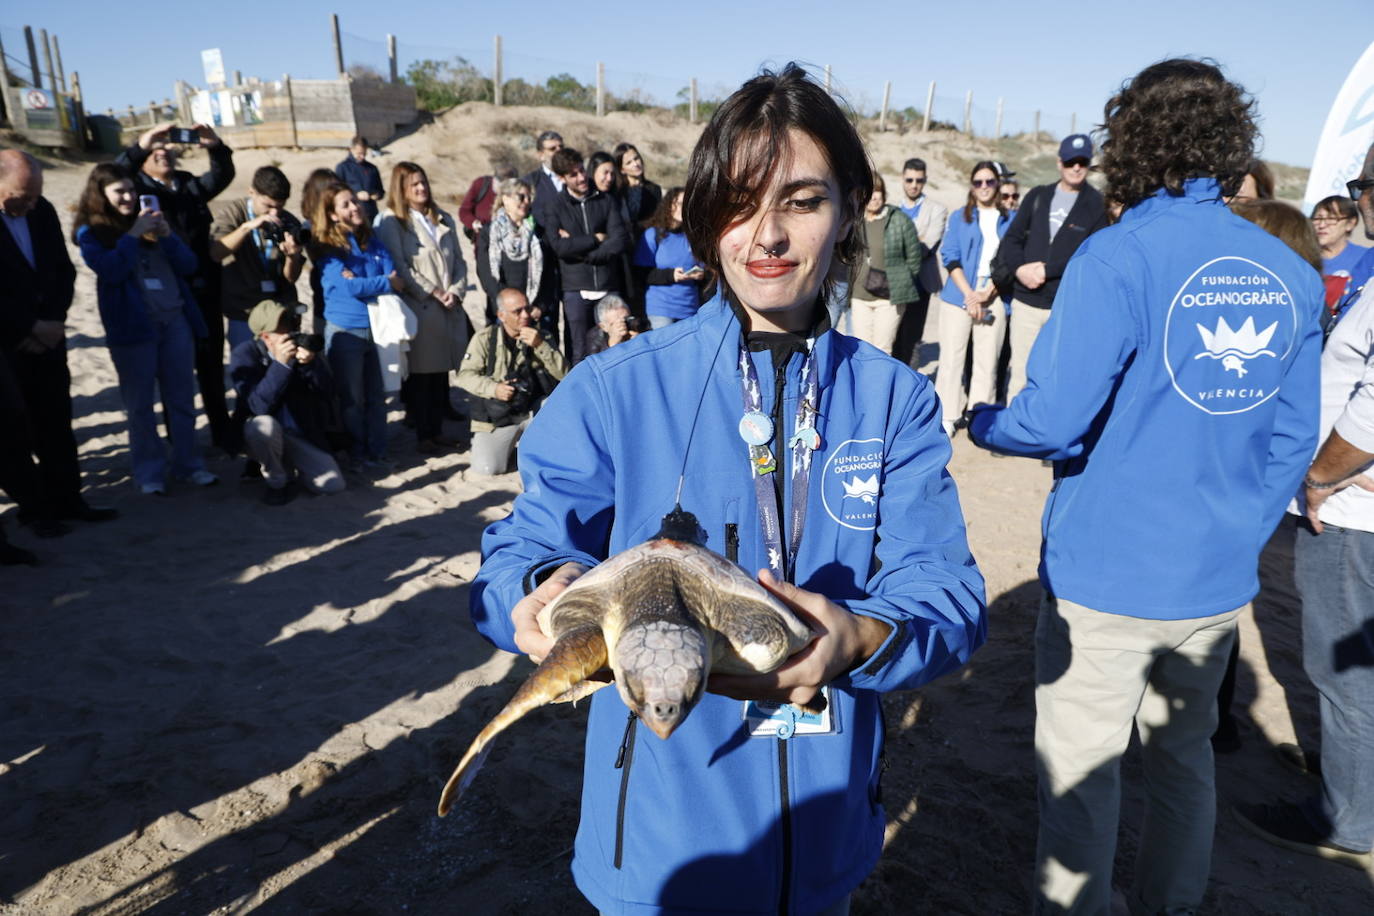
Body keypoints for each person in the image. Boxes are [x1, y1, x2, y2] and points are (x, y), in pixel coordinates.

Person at [468, 63, 986, 914]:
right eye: (741, 204)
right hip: (660, 853)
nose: (768, 236)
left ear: (853, 206)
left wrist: (860, 638)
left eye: (804, 201)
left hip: (824, 845)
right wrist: (530, 594)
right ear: (706, 217)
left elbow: (949, 598)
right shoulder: (612, 391)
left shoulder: (896, 401)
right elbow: (520, 551)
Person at [965, 59, 1322, 914]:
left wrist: (983, 423)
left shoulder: (1117, 256)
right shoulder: (1290, 272)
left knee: (1083, 778)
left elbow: (1051, 420)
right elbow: (1292, 438)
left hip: (1108, 576)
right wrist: (1239, 527)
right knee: (1183, 765)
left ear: (1135, 139)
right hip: (1213, 580)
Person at [1233, 140, 1374, 872]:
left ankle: (1348, 815)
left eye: (1364, 185)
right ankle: (1356, 782)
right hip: (1354, 505)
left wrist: (1319, 477)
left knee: (1341, 667)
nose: (1359, 198)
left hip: (1350, 515)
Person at [73, 163, 219, 495]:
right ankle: (149, 472)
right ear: (102, 196)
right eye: (119, 192)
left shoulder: (152, 220)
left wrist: (167, 237)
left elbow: (189, 265)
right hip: (133, 328)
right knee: (140, 405)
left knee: (181, 399)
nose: (128, 197)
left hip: (174, 320)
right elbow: (111, 270)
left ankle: (188, 465)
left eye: (130, 189)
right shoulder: (91, 231)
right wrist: (133, 234)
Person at [0, 149, 117, 529]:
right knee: (16, 432)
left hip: (50, 338)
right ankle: (36, 510)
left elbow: (62, 272)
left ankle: (69, 500)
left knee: (57, 423)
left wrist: (53, 321)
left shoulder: (43, 211)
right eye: (23, 195)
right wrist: (28, 327)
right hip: (9, 344)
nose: (31, 203)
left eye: (36, 194)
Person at [116, 121, 236, 452]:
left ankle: (222, 433)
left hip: (204, 285)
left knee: (211, 363)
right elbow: (110, 175)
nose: (163, 153)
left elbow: (221, 176)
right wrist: (141, 143)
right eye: (156, 150)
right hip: (165, 289)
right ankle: (180, 440)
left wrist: (215, 146)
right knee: (173, 370)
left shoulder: (187, 184)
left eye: (166, 148)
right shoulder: (136, 187)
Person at [994, 134, 1109, 401]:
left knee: (1057, 376)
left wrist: (1049, 270)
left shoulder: (1096, 205)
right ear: (1060, 163)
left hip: (1065, 306)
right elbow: (1011, 240)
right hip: (1026, 303)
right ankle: (1015, 436)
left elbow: (1093, 255)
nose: (1077, 167)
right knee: (1021, 374)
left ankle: (1046, 438)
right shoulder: (1038, 196)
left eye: (1082, 162)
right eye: (1071, 162)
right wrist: (1020, 269)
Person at [374, 161, 470, 454]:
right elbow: (400, 265)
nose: (421, 188)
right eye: (414, 184)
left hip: (447, 308)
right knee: (422, 376)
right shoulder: (393, 221)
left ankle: (437, 430)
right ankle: (424, 434)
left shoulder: (441, 218)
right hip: (421, 307)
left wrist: (455, 291)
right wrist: (434, 292)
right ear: (401, 188)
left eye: (424, 182)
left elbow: (461, 263)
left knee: (441, 372)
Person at [312, 180, 404, 472]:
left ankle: (378, 451)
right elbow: (347, 288)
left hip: (378, 328)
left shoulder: (372, 239)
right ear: (332, 214)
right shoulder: (328, 248)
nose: (355, 207)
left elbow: (394, 277)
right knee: (352, 400)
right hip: (346, 331)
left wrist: (371, 282)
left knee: (377, 396)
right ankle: (357, 453)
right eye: (345, 204)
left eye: (355, 201)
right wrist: (380, 282)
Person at [229, 300, 345, 505]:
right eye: (281, 328)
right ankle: (277, 483)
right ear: (265, 336)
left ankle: (288, 466)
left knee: (333, 486)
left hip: (298, 434)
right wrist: (281, 365)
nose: (288, 331)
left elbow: (328, 392)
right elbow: (258, 406)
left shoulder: (298, 350)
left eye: (288, 323)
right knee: (263, 425)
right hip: (262, 434)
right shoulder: (245, 354)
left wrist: (310, 365)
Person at [936, 161, 1012, 436]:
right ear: (971, 186)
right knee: (952, 358)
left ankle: (981, 416)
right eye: (978, 182)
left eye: (989, 181)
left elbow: (1010, 260)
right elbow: (950, 255)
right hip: (959, 294)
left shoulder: (1010, 219)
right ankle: (947, 415)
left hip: (993, 293)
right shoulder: (959, 217)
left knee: (987, 360)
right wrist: (970, 295)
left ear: (997, 184)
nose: (984, 187)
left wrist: (987, 292)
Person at [456, 288, 567, 475]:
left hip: (532, 410)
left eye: (527, 309)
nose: (525, 315)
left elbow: (565, 375)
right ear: (501, 315)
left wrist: (541, 346)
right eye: (517, 311)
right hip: (500, 416)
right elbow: (465, 376)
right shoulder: (484, 339)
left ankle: (534, 449)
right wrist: (494, 388)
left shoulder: (542, 337)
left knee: (552, 406)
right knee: (488, 468)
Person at [543, 146, 630, 365]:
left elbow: (619, 240)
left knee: (615, 345)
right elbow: (558, 247)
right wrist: (594, 239)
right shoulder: (555, 206)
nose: (582, 177)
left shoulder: (606, 200)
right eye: (574, 175)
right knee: (579, 350)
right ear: (562, 178)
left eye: (582, 170)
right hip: (575, 289)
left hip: (608, 285)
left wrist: (583, 250)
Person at [210, 166, 305, 350]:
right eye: (268, 206)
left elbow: (291, 278)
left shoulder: (289, 221)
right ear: (251, 192)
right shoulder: (233, 213)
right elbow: (216, 253)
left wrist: (292, 257)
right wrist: (246, 228)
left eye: (280, 207)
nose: (274, 214)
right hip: (244, 312)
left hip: (280, 313)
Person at [849, 171, 923, 355]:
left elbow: (914, 258)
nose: (874, 197)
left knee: (882, 350)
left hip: (889, 298)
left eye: (878, 191)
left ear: (884, 194)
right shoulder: (854, 221)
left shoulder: (899, 220)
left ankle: (880, 385)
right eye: (870, 192)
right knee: (861, 350)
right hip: (859, 296)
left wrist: (901, 281)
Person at [476, 177, 558, 328]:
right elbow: (486, 274)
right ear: (505, 199)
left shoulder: (538, 233)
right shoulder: (489, 233)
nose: (526, 201)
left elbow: (549, 273)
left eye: (529, 197)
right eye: (521, 196)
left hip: (534, 312)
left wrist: (541, 306)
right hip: (504, 314)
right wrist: (509, 306)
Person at [892, 157, 948, 367]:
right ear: (902, 179)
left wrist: (898, 245)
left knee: (913, 338)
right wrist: (915, 239)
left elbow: (928, 245)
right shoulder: (892, 209)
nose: (914, 185)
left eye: (919, 180)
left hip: (920, 283)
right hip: (893, 283)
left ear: (925, 180)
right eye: (910, 180)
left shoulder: (937, 209)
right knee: (893, 335)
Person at [633, 187, 707, 330]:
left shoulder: (694, 236)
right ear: (668, 205)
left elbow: (705, 269)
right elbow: (641, 274)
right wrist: (671, 275)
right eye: (679, 203)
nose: (683, 208)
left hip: (690, 309)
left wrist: (701, 274)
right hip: (661, 309)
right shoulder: (653, 235)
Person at [1310, 195, 1369, 315]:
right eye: (1317, 218)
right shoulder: (1301, 258)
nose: (1321, 225)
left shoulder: (1365, 259)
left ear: (1350, 223)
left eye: (1331, 219)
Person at [458, 164, 518, 242]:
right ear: (495, 180)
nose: (508, 189)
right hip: (482, 240)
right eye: (506, 185)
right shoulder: (480, 184)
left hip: (507, 241)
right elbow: (464, 211)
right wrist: (474, 223)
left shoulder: (517, 191)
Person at [335, 136, 385, 225]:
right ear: (351, 150)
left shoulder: (372, 168)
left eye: (364, 154)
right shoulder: (343, 168)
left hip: (371, 214)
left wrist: (376, 195)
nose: (362, 157)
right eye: (359, 154)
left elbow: (381, 191)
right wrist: (356, 195)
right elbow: (336, 192)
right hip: (352, 216)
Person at [614, 141, 662, 229]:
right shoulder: (618, 192)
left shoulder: (654, 189)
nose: (635, 164)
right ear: (622, 170)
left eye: (636, 158)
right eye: (629, 163)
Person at [524, 130, 564, 227]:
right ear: (541, 155)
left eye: (561, 147)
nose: (559, 151)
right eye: (552, 149)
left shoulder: (578, 178)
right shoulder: (531, 182)